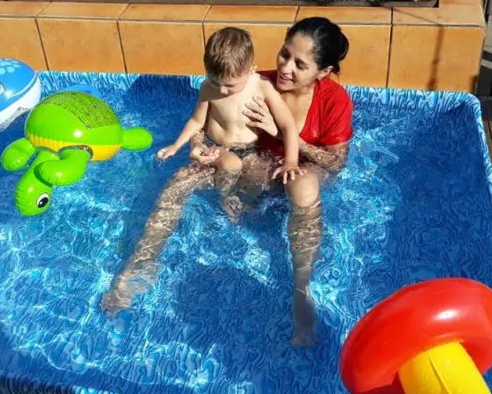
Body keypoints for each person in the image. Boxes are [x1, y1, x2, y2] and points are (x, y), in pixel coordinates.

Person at [101, 17, 353, 346]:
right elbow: (207, 119)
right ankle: (141, 264)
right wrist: (196, 147)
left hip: (297, 170)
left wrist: (286, 138)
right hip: (248, 162)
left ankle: (301, 288)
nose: (285, 67)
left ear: (323, 71)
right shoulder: (249, 80)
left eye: (300, 64)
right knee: (178, 181)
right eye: (284, 53)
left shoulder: (334, 101)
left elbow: (336, 162)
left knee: (303, 186)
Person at [156, 27, 302, 220]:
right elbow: (197, 120)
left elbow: (288, 126)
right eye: (216, 82)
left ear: (251, 69)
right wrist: (176, 145)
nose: (222, 90)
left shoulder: (262, 87)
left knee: (258, 177)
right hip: (217, 147)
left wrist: (291, 161)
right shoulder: (208, 87)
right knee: (231, 165)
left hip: (251, 149)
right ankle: (223, 196)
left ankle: (237, 202)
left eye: (230, 85)